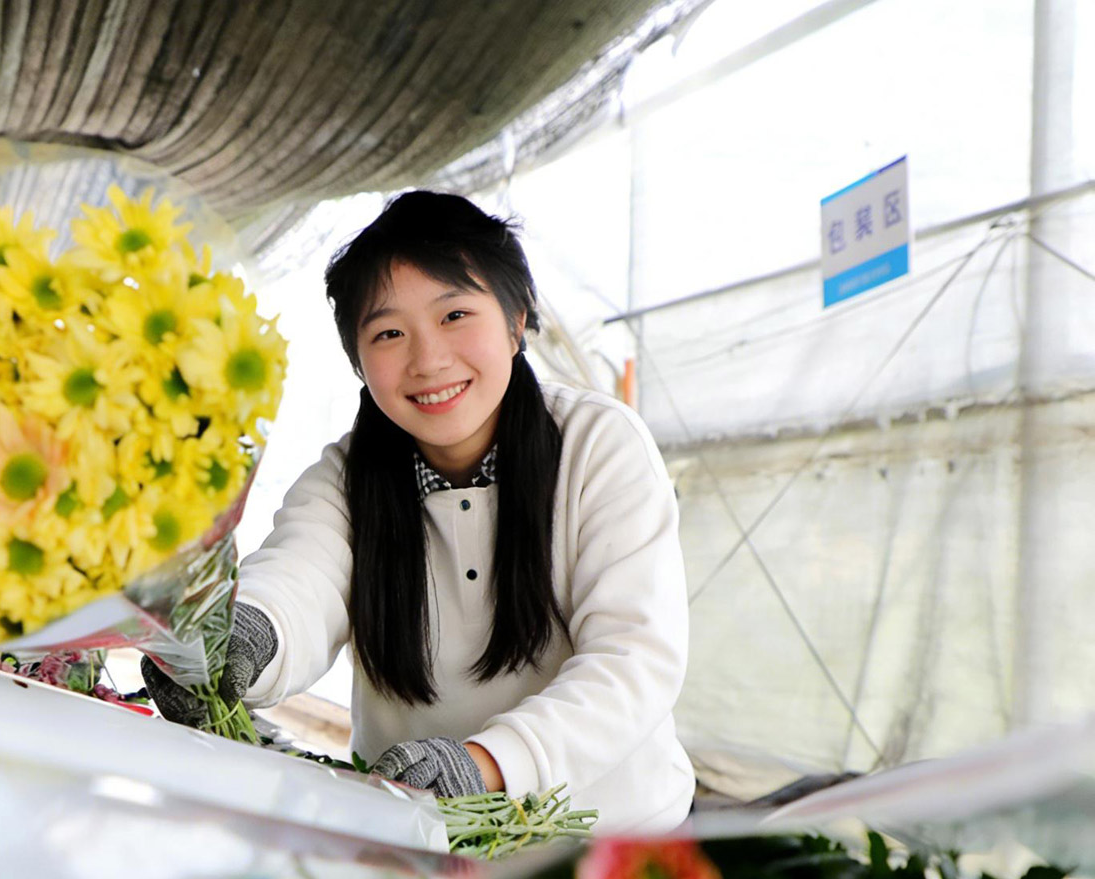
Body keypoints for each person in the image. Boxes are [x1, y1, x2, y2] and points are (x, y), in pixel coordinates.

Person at [144, 192, 694, 832]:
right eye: (388, 333)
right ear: (359, 360)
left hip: (611, 844)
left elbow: (633, 659)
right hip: (416, 838)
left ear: (517, 319)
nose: (428, 359)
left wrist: (487, 764)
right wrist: (242, 639)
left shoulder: (598, 444)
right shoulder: (345, 478)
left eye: (455, 314)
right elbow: (300, 576)